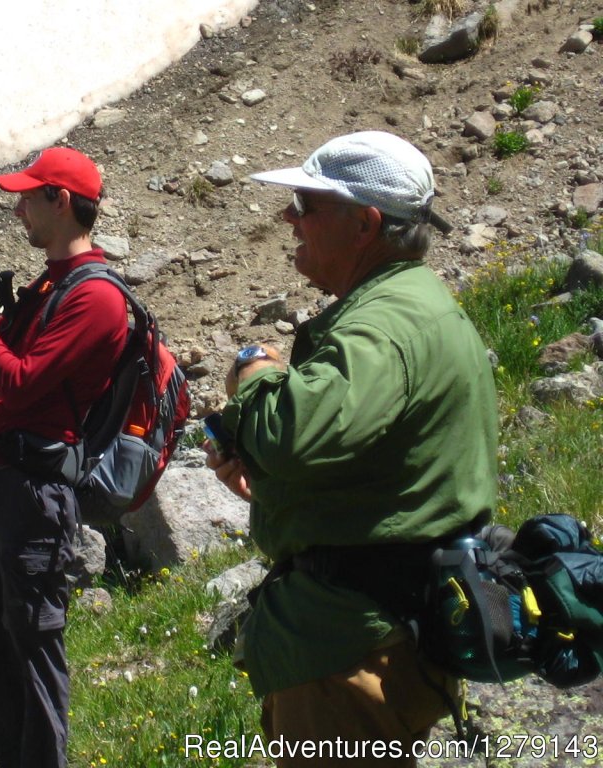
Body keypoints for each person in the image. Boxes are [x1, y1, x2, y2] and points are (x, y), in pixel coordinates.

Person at [206, 131, 498, 766]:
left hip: (351, 654)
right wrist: (273, 487)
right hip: (380, 634)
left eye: (307, 205)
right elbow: (378, 470)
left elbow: (289, 433)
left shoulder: (380, 328)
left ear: (365, 224)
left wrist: (253, 368)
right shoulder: (409, 307)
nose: (289, 217)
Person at [0, 147, 128, 768]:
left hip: (31, 489)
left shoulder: (95, 299)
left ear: (60, 201)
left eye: (27, 195)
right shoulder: (51, 284)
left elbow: (18, 381)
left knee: (32, 641)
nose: (18, 207)